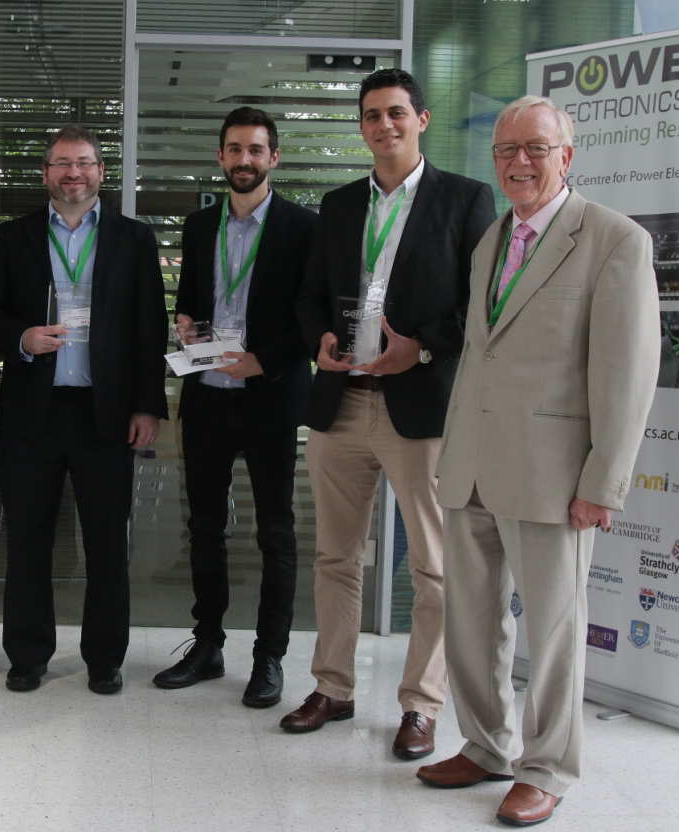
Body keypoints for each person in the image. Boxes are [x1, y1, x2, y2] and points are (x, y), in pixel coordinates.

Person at [417, 95, 659, 827]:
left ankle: (547, 767)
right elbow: (483, 358)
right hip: (472, 469)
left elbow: (627, 371)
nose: (519, 161)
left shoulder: (614, 240)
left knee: (553, 631)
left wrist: (603, 484)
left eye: (536, 148)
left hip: (555, 479)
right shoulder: (492, 239)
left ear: (568, 156)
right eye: (506, 150)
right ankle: (486, 746)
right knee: (471, 622)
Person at [286, 68, 495, 758]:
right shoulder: (340, 204)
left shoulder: (465, 201)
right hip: (341, 403)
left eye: (397, 113)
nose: (385, 126)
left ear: (422, 120)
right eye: (372, 115)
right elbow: (312, 294)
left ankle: (421, 705)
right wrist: (318, 335)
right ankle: (334, 686)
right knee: (335, 556)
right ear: (362, 126)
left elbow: (482, 306)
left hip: (419, 407)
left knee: (433, 567)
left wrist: (424, 350)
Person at [0, 125, 167, 695]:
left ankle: (105, 657)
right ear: (45, 174)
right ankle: (28, 654)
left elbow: (149, 326)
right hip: (32, 414)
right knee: (28, 539)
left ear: (100, 172)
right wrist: (21, 337)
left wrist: (147, 405)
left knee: (107, 541)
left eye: (83, 163)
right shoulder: (13, 237)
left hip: (105, 413)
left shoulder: (134, 239)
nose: (73, 174)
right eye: (61, 163)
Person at [151, 107, 316, 709]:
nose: (244, 160)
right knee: (205, 527)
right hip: (207, 398)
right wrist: (186, 321)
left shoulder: (304, 227)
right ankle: (208, 644)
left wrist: (262, 360)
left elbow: (312, 315)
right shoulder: (199, 227)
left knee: (276, 531)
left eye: (256, 150)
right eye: (234, 149)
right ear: (220, 157)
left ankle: (269, 657)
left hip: (268, 400)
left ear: (274, 157)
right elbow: (192, 298)